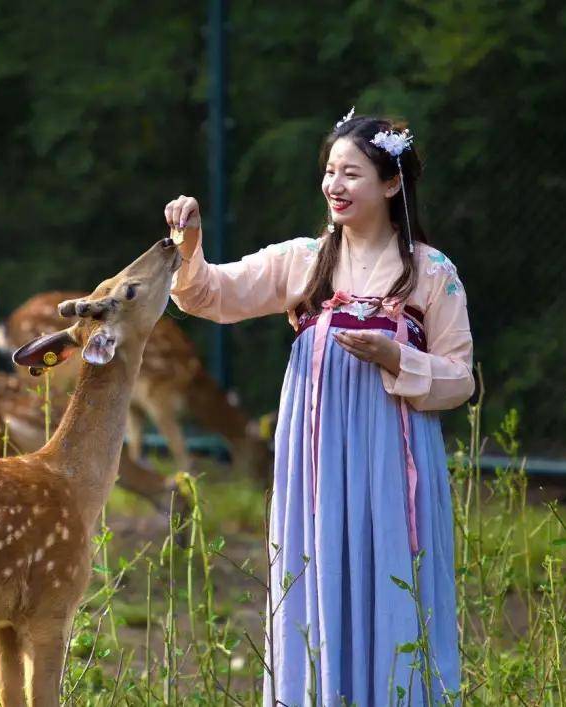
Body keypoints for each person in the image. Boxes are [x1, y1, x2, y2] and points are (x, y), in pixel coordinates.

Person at [165, 111, 473, 706]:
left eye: (351, 173)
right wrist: (192, 246)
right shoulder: (303, 260)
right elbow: (210, 294)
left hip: (393, 455)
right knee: (318, 569)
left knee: (389, 574)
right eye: (330, 171)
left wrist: (396, 357)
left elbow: (459, 378)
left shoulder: (432, 272)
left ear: (390, 184)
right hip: (316, 461)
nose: (334, 184)